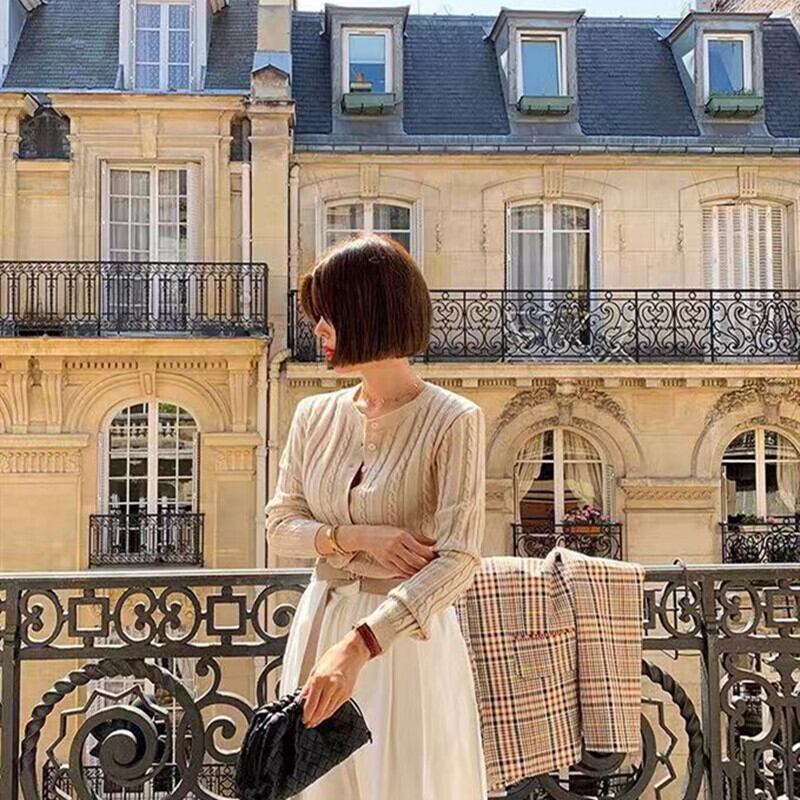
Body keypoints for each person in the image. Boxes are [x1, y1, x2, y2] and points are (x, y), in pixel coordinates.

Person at [265, 233, 488, 799]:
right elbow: (279, 527)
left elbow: (459, 559)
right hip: (320, 624)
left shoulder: (453, 420)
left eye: (330, 314)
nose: (319, 330)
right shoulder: (313, 415)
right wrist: (358, 536)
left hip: (402, 642)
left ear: (370, 313)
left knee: (404, 783)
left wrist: (361, 643)